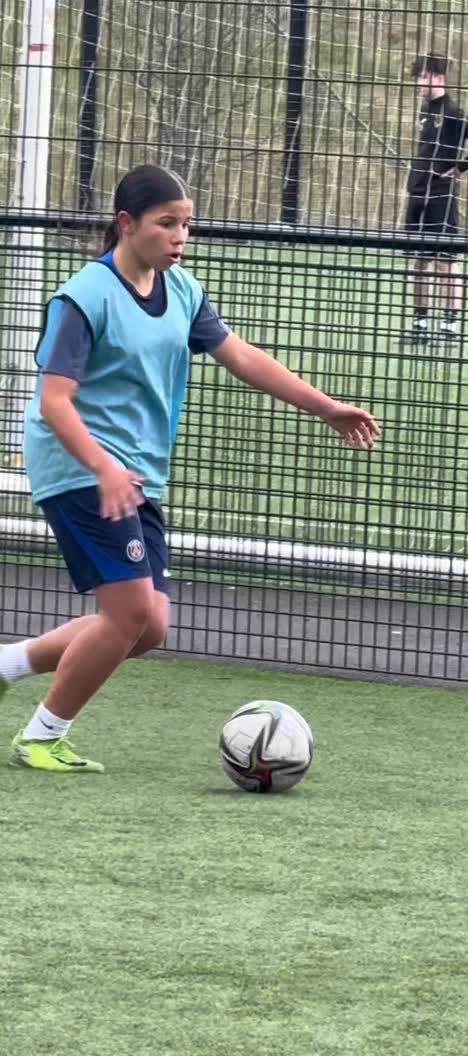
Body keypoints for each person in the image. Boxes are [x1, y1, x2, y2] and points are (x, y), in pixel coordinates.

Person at [0, 164, 380, 773]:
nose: (180, 237)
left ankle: (8, 665)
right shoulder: (84, 296)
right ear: (126, 225)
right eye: (167, 224)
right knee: (126, 615)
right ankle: (43, 736)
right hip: (79, 468)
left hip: (133, 473)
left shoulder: (181, 291)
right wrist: (101, 467)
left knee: (148, 628)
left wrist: (326, 407)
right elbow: (53, 400)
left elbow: (242, 356)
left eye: (187, 225)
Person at [405, 53, 468, 340]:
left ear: (438, 78)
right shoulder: (426, 111)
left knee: (447, 260)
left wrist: (462, 166)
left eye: (423, 77)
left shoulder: (454, 114)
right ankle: (419, 324)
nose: (419, 83)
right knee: (419, 261)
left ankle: (449, 323)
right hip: (418, 191)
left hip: (442, 195)